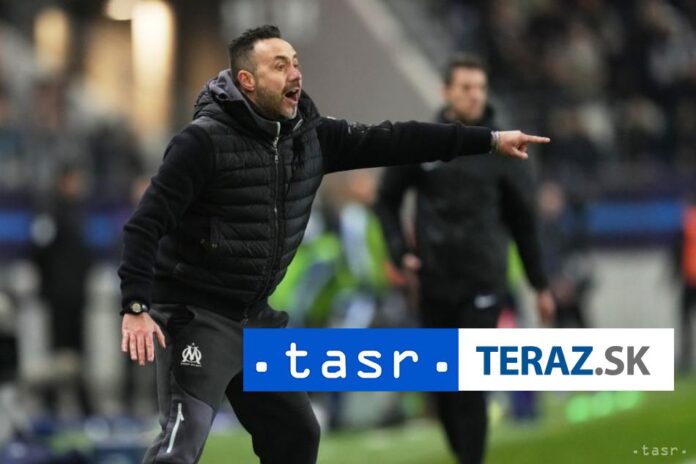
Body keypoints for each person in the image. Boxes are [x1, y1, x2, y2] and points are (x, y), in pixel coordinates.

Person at [117, 26, 549, 464]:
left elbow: (398, 139)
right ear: (247, 81)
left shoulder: (312, 138)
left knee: (298, 436)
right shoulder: (202, 142)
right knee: (180, 446)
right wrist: (135, 305)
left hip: (256, 319)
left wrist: (489, 140)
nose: (295, 74)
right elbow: (144, 224)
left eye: (296, 63)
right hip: (198, 317)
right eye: (279, 66)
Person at [374, 54, 555, 464]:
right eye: (466, 87)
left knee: (470, 380)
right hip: (434, 283)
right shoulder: (423, 143)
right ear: (445, 92)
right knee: (442, 386)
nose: (475, 96)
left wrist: (539, 284)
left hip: (483, 281)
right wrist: (400, 253)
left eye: (481, 88)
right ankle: (464, 452)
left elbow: (523, 223)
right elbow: (386, 200)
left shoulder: (505, 149)